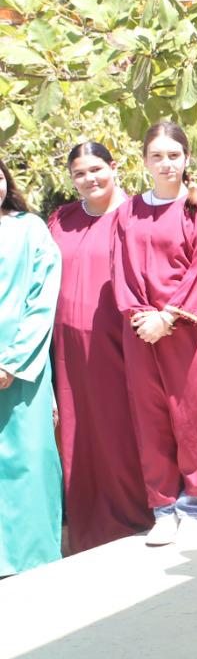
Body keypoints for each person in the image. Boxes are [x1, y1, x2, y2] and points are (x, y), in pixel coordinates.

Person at [109, 122, 197, 546]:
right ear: (144, 161)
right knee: (152, 418)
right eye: (157, 156)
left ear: (186, 159)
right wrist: (142, 316)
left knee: (196, 414)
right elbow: (121, 270)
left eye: (174, 155)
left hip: (191, 327)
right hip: (142, 329)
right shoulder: (127, 212)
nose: (166, 164)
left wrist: (170, 316)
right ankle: (163, 507)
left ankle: (195, 503)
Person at [49, 142, 152, 552]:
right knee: (76, 433)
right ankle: (85, 522)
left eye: (96, 169)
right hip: (66, 351)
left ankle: (133, 516)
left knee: (121, 429)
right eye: (79, 173)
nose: (90, 179)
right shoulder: (61, 219)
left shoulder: (136, 216)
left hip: (119, 344)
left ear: (114, 167)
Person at [0, 156, 64, 575]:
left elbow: (42, 300)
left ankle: (34, 561)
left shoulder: (30, 229)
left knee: (29, 464)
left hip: (23, 369)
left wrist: (11, 362)